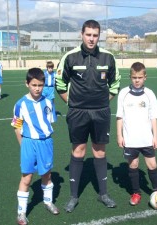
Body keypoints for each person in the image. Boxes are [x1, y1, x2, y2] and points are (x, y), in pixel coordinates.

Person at [56, 19, 121, 213]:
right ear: (81, 34)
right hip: (78, 113)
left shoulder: (108, 57)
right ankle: (74, 197)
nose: (91, 39)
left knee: (99, 152)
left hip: (101, 112)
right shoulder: (70, 57)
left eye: (95, 35)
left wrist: (102, 103)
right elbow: (59, 84)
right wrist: (73, 104)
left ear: (99, 36)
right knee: (79, 151)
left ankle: (104, 194)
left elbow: (115, 84)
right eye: (88, 35)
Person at [116, 62, 157, 207]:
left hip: (146, 138)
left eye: (140, 77)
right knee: (134, 164)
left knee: (152, 165)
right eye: (134, 77)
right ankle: (136, 193)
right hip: (130, 139)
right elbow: (119, 117)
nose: (137, 80)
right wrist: (119, 135)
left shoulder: (149, 94)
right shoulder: (123, 93)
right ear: (130, 77)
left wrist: (155, 137)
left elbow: (153, 116)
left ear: (145, 77)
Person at [11, 68, 59, 225]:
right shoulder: (20, 104)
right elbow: (17, 126)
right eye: (34, 85)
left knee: (47, 174)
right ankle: (21, 212)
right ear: (27, 84)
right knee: (27, 177)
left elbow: (50, 121)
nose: (37, 88)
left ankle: (48, 202)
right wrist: (22, 144)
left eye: (40, 85)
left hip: (46, 142)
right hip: (29, 143)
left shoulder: (48, 102)